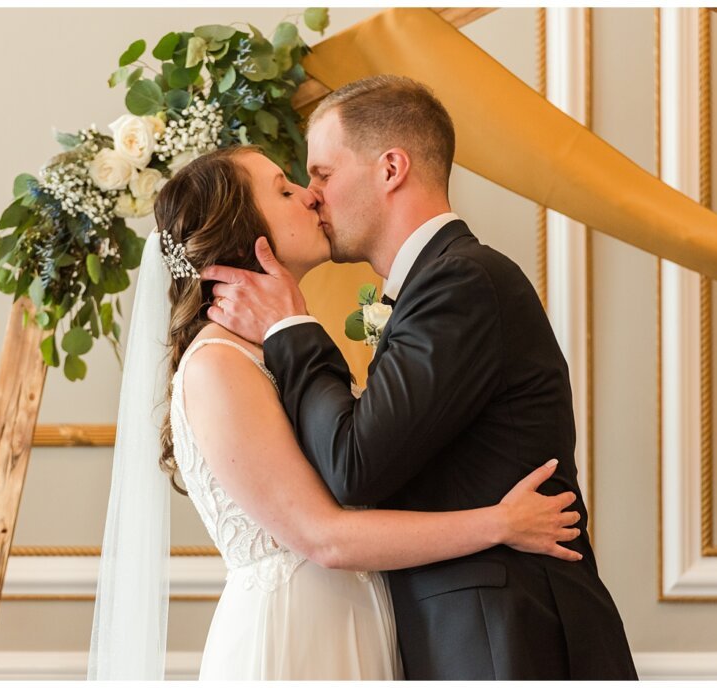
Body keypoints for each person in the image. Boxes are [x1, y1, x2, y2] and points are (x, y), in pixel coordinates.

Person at [87, 145, 585, 680]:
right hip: (291, 639)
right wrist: (498, 523)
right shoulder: (217, 366)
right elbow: (325, 536)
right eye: (284, 190)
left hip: (353, 621)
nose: (309, 195)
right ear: (242, 232)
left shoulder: (281, 348)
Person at [201, 76, 638, 680]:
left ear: (391, 168)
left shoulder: (460, 281)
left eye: (323, 174)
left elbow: (357, 466)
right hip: (468, 627)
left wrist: (291, 326)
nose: (312, 196)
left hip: (500, 634)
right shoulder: (432, 286)